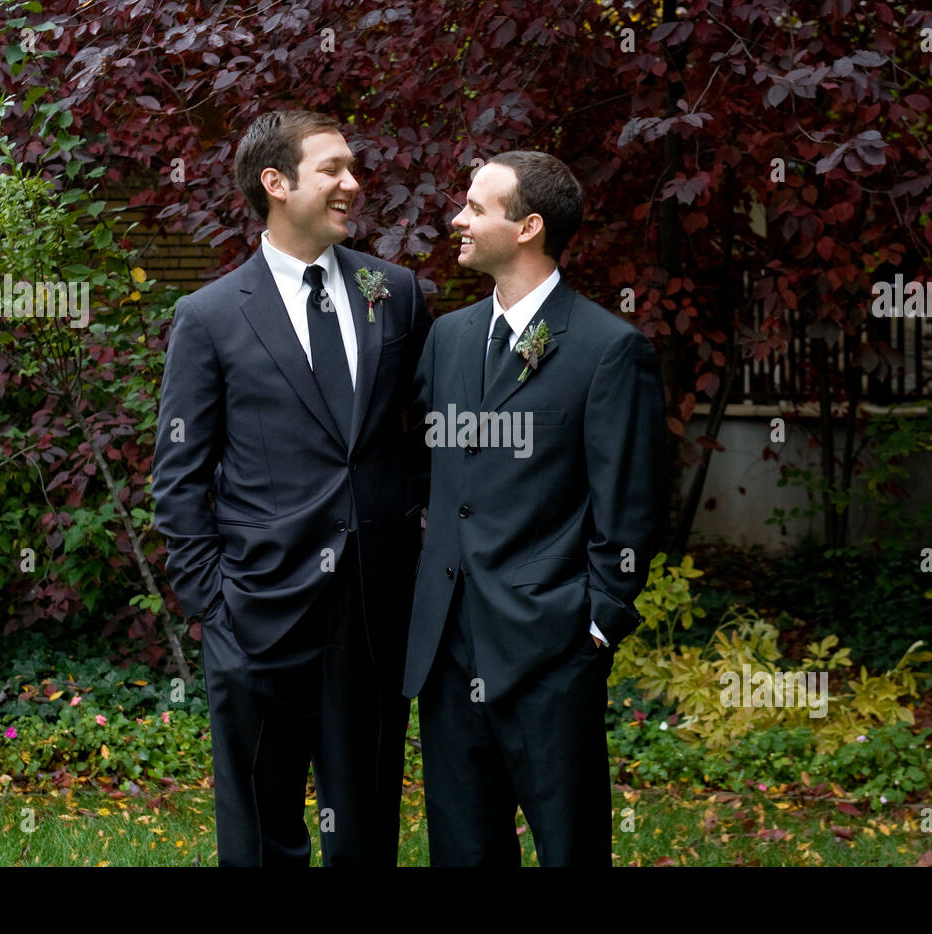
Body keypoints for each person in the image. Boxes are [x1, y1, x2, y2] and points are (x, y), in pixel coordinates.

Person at [152, 110, 430, 866]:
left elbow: (423, 440)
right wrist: (214, 602)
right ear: (276, 183)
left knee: (365, 825)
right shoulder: (208, 317)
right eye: (333, 168)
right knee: (260, 829)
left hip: (373, 608)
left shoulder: (395, 293)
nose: (353, 183)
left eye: (353, 167)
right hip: (258, 609)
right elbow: (178, 475)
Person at [405, 151, 666, 865]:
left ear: (527, 227)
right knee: (464, 852)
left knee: (570, 850)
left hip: (553, 650)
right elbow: (429, 476)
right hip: (450, 652)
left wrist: (597, 623)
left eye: (476, 207)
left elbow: (632, 508)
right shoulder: (448, 339)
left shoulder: (610, 352)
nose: (458, 218)